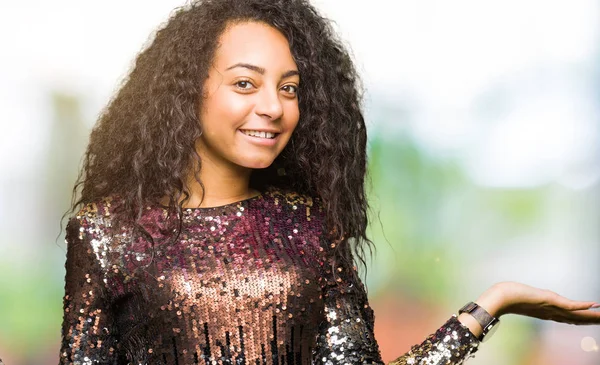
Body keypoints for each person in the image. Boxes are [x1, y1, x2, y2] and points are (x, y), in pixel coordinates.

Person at [59, 0, 600, 364]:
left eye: (289, 89)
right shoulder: (106, 232)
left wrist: (490, 306)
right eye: (245, 83)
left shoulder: (306, 225)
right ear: (184, 94)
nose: (272, 107)